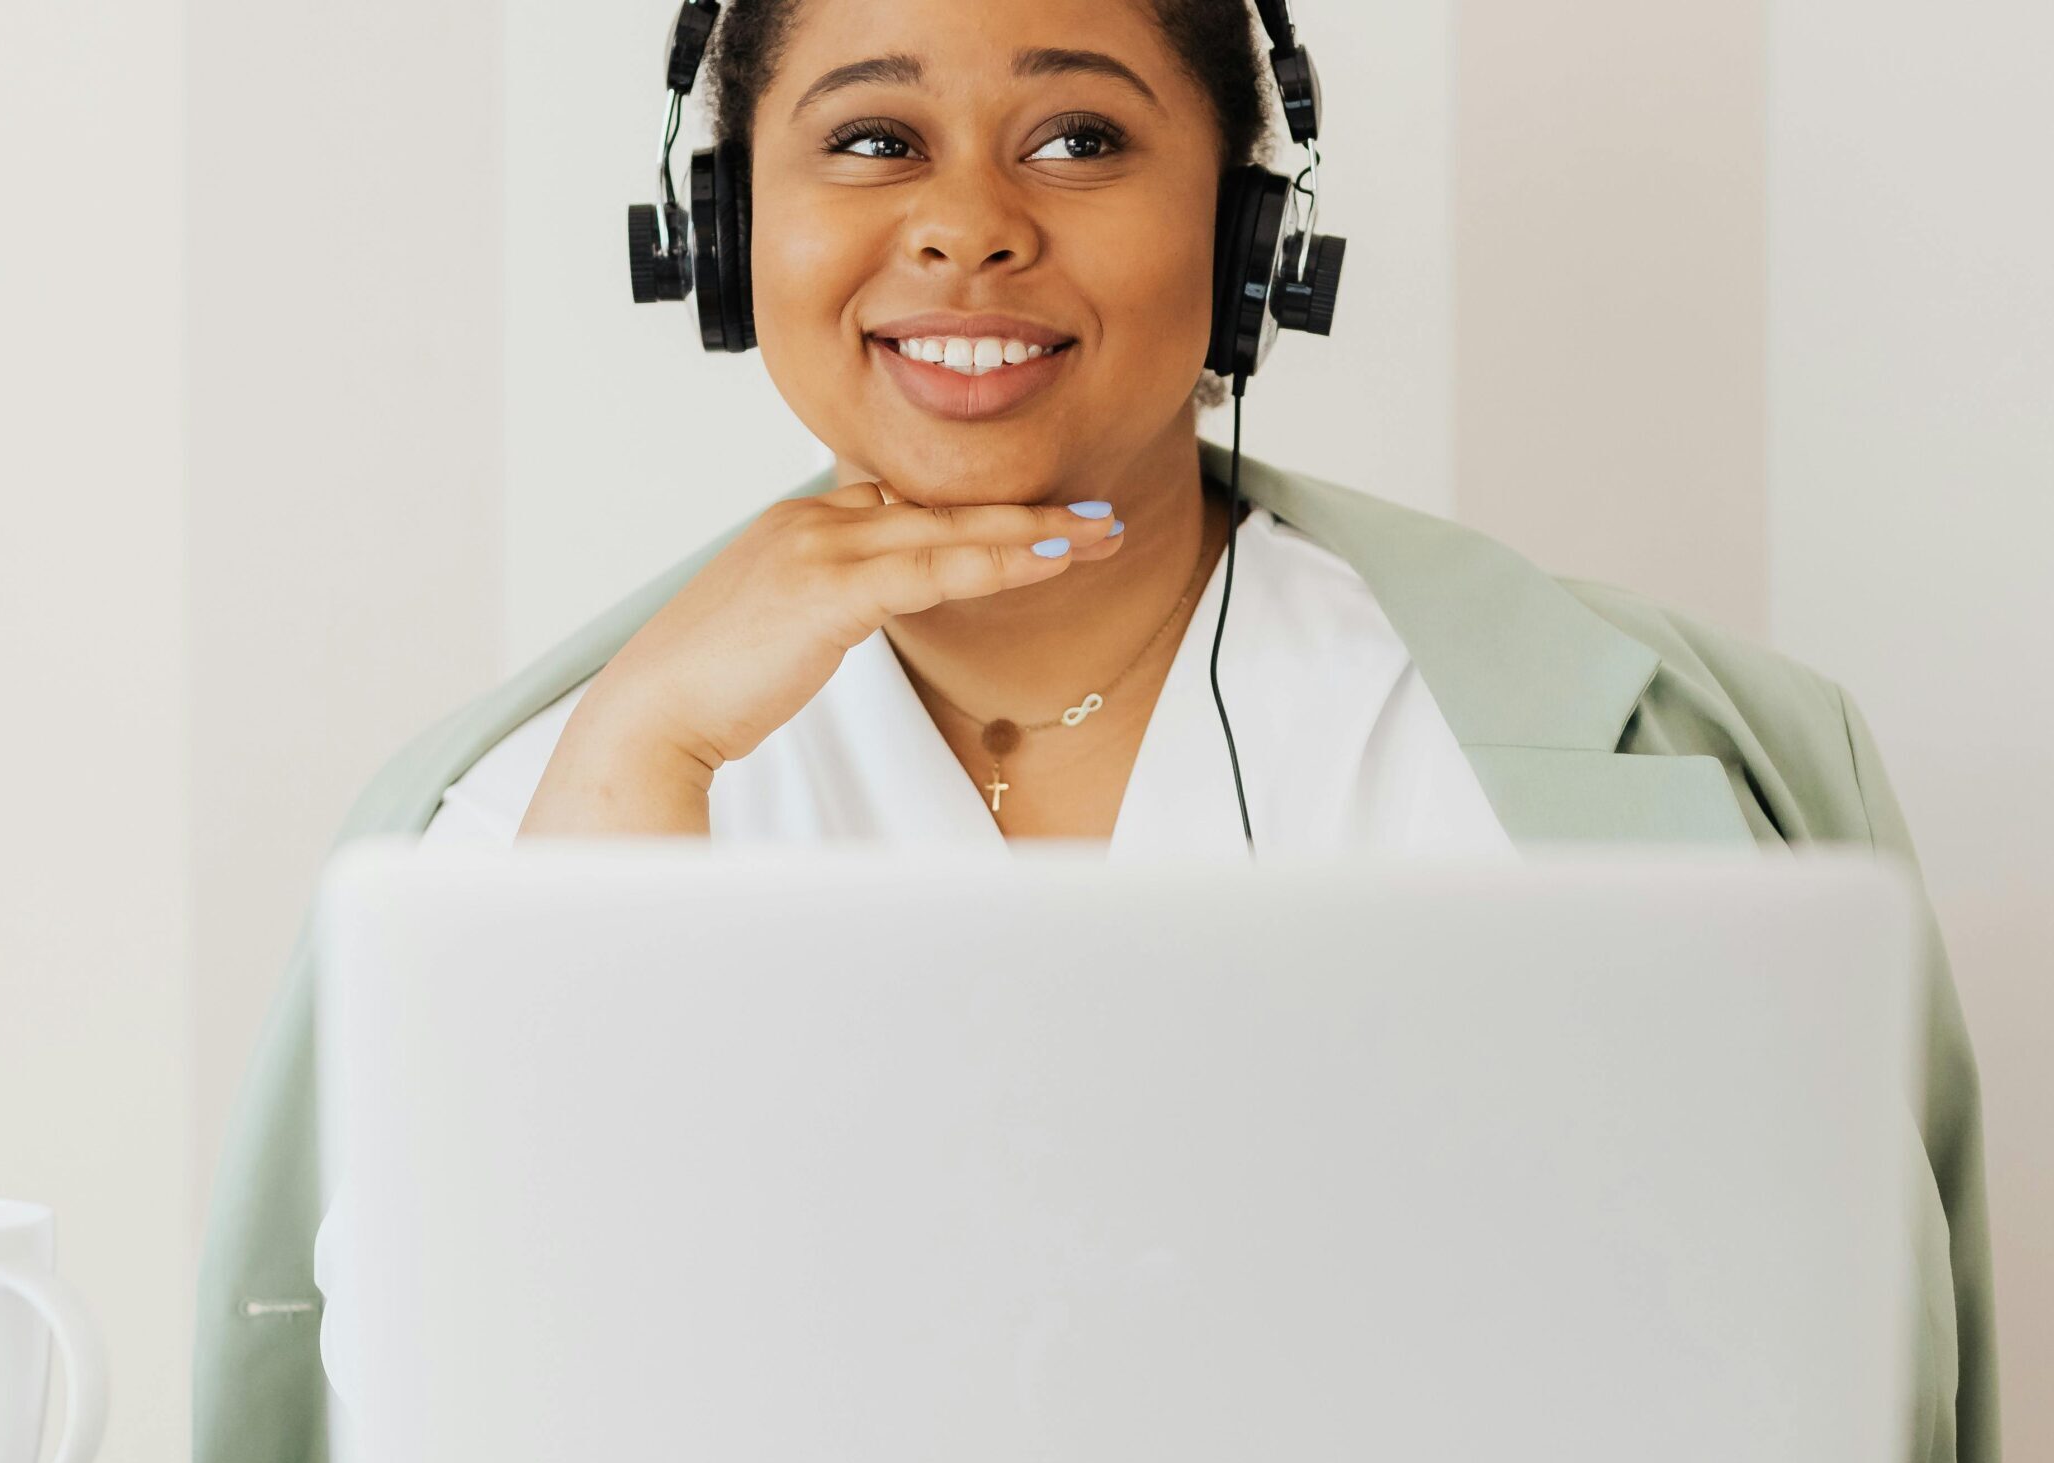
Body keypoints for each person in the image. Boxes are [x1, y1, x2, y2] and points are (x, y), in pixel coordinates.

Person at [193, 3, 1999, 1460]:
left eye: (1079, 136)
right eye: (873, 137)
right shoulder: (512, 810)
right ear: (728, 228)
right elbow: (459, 1409)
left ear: (1245, 230)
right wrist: (638, 759)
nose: (971, 218)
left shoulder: (1663, 755)